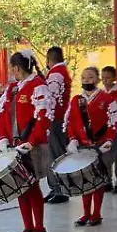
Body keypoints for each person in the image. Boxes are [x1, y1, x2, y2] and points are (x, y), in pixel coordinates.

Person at [0, 50, 53, 232]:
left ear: (16, 68)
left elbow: (43, 116)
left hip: (31, 146)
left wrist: (32, 141)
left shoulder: (38, 86)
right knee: (20, 186)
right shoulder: (12, 88)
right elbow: (2, 114)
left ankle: (39, 228)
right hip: (15, 145)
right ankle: (27, 227)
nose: (11, 72)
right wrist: (3, 137)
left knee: (32, 185)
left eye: (12, 68)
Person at [65, 67, 117, 227]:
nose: (86, 80)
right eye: (83, 77)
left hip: (101, 146)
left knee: (98, 180)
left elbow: (114, 121)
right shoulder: (76, 100)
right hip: (83, 146)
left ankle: (96, 213)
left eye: (90, 77)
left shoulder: (107, 99)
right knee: (86, 179)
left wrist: (109, 140)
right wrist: (72, 139)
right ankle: (85, 213)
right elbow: (71, 122)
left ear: (97, 79)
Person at [42, 46, 72, 204]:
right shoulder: (62, 72)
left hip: (54, 119)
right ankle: (55, 187)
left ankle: (60, 188)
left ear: (48, 60)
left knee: (55, 153)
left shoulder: (55, 74)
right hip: (60, 118)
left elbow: (50, 98)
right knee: (55, 153)